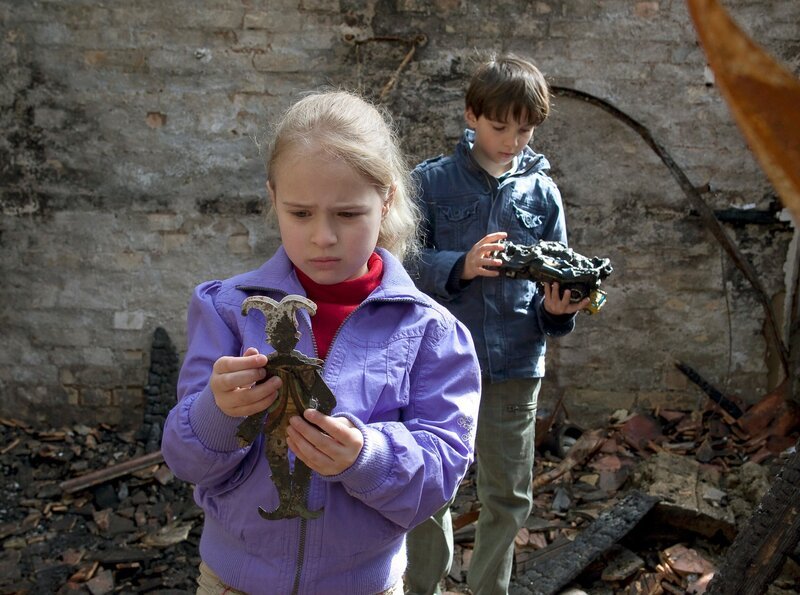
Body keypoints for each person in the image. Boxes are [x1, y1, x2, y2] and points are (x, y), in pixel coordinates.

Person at [161, 90, 481, 595]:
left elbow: (441, 475)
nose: (323, 237)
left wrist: (369, 458)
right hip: (232, 583)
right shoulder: (226, 310)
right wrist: (216, 411)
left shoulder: (430, 333)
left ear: (387, 200)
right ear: (272, 199)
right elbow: (184, 458)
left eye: (348, 214)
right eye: (301, 213)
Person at [405, 54, 589, 595]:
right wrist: (459, 265)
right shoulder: (430, 183)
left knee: (508, 496)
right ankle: (423, 588)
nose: (511, 140)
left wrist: (557, 313)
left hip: (515, 363)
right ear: (470, 115)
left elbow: (556, 276)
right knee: (431, 488)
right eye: (498, 126)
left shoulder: (542, 194)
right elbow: (397, 265)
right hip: (439, 364)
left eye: (524, 129)